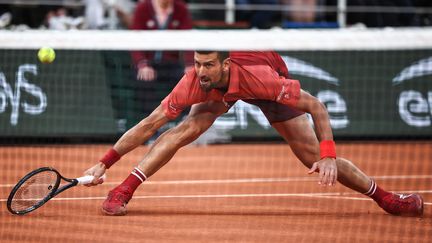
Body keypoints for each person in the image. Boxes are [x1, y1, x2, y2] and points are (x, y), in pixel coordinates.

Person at [84, 51, 424, 217]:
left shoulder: (263, 78)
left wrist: (329, 155)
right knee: (185, 127)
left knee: (310, 155)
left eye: (209, 65)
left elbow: (317, 107)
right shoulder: (196, 80)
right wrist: (105, 162)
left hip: (264, 82)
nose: (201, 71)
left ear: (226, 64)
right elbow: (150, 123)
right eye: (197, 63)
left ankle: (388, 199)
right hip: (224, 91)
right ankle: (123, 190)